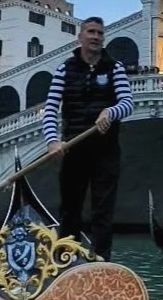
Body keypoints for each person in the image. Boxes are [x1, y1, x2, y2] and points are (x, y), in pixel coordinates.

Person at [42, 16, 134, 261]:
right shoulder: (65, 68)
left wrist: (110, 111)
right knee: (70, 210)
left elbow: (128, 103)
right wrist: (52, 141)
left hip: (106, 150)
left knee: (103, 211)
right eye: (91, 32)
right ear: (80, 36)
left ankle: (102, 262)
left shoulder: (115, 67)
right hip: (73, 147)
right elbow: (51, 107)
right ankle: (65, 262)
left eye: (100, 33)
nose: (95, 36)